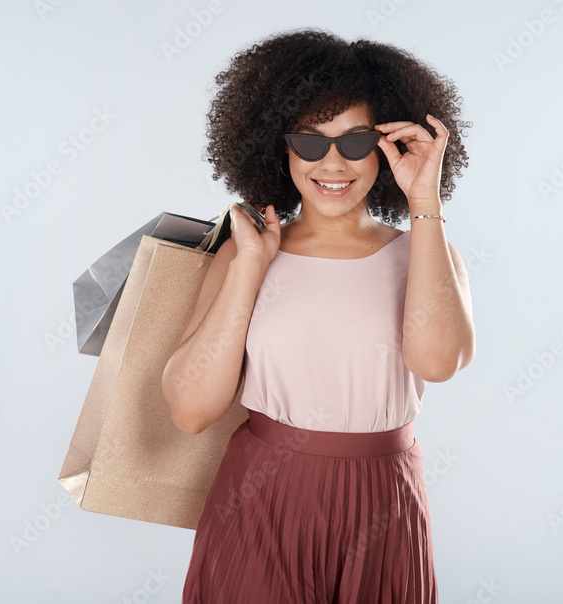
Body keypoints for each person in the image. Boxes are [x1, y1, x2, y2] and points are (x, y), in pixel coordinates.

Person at [161, 27, 474, 603]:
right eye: (309, 141)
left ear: (387, 146)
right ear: (278, 147)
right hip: (261, 498)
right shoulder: (243, 254)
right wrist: (250, 267)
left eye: (355, 142)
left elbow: (438, 362)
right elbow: (191, 411)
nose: (332, 163)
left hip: (385, 502)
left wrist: (425, 203)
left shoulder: (424, 253)